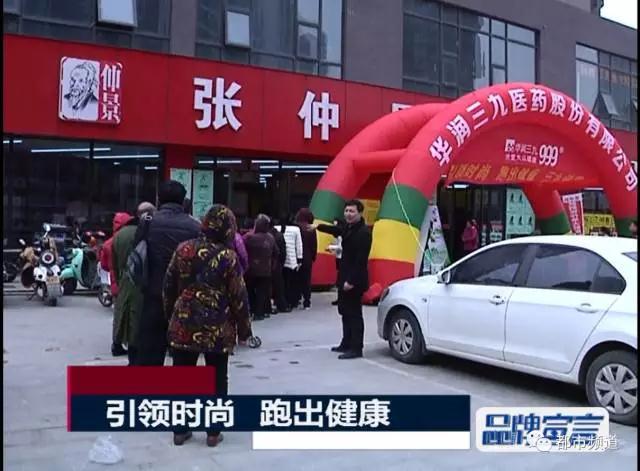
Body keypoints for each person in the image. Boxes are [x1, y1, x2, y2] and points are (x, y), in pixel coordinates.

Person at [163, 204, 252, 447]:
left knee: (182, 379)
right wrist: (245, 330)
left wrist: (171, 316)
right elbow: (238, 296)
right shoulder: (228, 256)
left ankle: (180, 430)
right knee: (217, 379)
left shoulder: (183, 249)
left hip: (184, 323)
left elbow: (168, 286)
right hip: (217, 327)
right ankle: (213, 432)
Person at [135, 181, 201, 366]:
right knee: (183, 358)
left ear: (158, 199)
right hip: (184, 298)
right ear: (183, 200)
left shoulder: (148, 222)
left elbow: (137, 251)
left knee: (149, 356)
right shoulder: (195, 227)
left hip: (153, 295)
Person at [316, 200, 372, 360]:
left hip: (354, 279)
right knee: (344, 312)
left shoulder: (363, 233)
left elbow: (361, 261)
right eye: (346, 211)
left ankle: (356, 347)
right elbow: (336, 230)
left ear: (360, 213)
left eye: (352, 211)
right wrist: (318, 227)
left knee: (354, 314)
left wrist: (351, 281)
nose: (348, 214)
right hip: (344, 276)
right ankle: (346, 342)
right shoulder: (348, 228)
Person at [112, 202, 156, 365]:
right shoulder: (152, 233)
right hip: (146, 288)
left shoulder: (120, 235)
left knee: (130, 328)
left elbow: (115, 265)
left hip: (126, 285)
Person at [101, 212, 134, 357]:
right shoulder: (131, 238)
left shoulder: (108, 243)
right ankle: (130, 343)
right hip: (129, 282)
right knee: (131, 314)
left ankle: (116, 343)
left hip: (115, 283)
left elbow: (104, 265)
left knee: (118, 314)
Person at [243, 214, 279, 321]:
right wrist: (272, 265)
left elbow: (242, 250)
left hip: (251, 269)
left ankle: (252, 310)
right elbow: (276, 252)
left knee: (250, 290)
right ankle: (260, 313)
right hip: (266, 270)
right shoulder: (271, 238)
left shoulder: (249, 238)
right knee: (262, 292)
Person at [277, 216, 303, 310]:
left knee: (281, 283)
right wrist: (299, 259)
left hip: (280, 260)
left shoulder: (276, 228)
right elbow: (299, 245)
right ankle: (291, 301)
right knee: (291, 283)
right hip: (291, 260)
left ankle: (282, 302)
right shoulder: (296, 229)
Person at [295, 208, 318, 310]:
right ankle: (307, 301)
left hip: (296, 257)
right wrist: (313, 256)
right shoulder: (310, 229)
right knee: (306, 280)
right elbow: (314, 245)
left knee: (296, 279)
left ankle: (296, 298)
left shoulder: (295, 227)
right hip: (307, 258)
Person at [269, 218, 289, 313]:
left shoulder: (263, 235)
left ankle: (268, 306)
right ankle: (281, 305)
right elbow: (283, 252)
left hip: (265, 265)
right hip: (277, 265)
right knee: (279, 286)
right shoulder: (279, 235)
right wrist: (281, 263)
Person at [328, 218, 344, 306]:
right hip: (339, 257)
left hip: (342, 258)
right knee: (340, 277)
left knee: (341, 278)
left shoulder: (341, 235)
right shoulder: (338, 236)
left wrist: (331, 247)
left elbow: (341, 247)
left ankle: (341, 298)